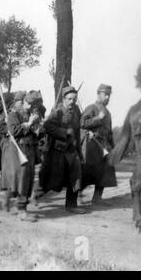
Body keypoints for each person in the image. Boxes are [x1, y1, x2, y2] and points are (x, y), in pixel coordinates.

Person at [39, 86, 86, 214]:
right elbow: (47, 126)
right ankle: (34, 196)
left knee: (76, 176)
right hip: (58, 152)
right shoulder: (57, 111)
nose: (72, 101)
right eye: (70, 99)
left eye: (74, 99)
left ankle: (71, 205)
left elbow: (77, 130)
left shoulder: (76, 111)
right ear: (64, 99)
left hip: (72, 151)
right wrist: (64, 132)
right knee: (52, 180)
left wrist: (79, 151)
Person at [0, 91, 41, 222]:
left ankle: (8, 195)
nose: (28, 106)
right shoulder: (12, 115)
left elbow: (37, 133)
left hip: (31, 149)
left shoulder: (31, 115)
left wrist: (36, 128)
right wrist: (28, 124)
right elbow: (14, 131)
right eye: (27, 103)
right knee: (23, 178)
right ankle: (22, 210)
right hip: (18, 150)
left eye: (31, 105)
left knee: (28, 178)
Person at [80, 84, 117, 206]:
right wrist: (97, 118)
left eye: (109, 95)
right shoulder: (91, 108)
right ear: (98, 94)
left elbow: (109, 132)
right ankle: (76, 194)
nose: (107, 97)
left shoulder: (108, 112)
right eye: (105, 94)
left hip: (105, 145)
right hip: (92, 145)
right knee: (88, 172)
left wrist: (114, 147)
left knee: (105, 171)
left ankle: (97, 198)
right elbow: (82, 123)